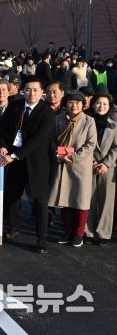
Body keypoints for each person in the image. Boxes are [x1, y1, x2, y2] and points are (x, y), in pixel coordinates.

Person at [0, 76, 56, 254]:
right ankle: (13, 227)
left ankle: (41, 240)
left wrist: (14, 156)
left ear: (42, 92)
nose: (31, 93)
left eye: (35, 90)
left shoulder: (47, 113)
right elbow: (2, 129)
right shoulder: (15, 106)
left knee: (40, 201)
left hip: (36, 162)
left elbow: (39, 140)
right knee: (13, 196)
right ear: (23, 91)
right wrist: (2, 145)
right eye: (28, 90)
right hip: (14, 161)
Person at [49, 91, 97, 247]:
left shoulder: (89, 121)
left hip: (80, 166)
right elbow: (52, 140)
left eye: (78, 102)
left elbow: (90, 144)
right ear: (66, 104)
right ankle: (68, 231)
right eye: (71, 102)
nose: (74, 105)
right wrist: (58, 154)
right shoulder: (58, 119)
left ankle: (79, 234)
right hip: (62, 164)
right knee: (65, 200)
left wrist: (73, 157)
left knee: (81, 201)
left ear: (83, 105)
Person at [86, 94, 117, 245]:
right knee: (88, 200)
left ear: (109, 107)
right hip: (88, 166)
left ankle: (104, 233)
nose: (101, 106)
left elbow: (116, 147)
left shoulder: (114, 125)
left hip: (108, 168)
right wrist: (91, 161)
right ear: (93, 104)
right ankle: (88, 232)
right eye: (98, 103)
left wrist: (106, 164)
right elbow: (82, 143)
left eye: (105, 104)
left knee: (106, 202)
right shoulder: (87, 122)